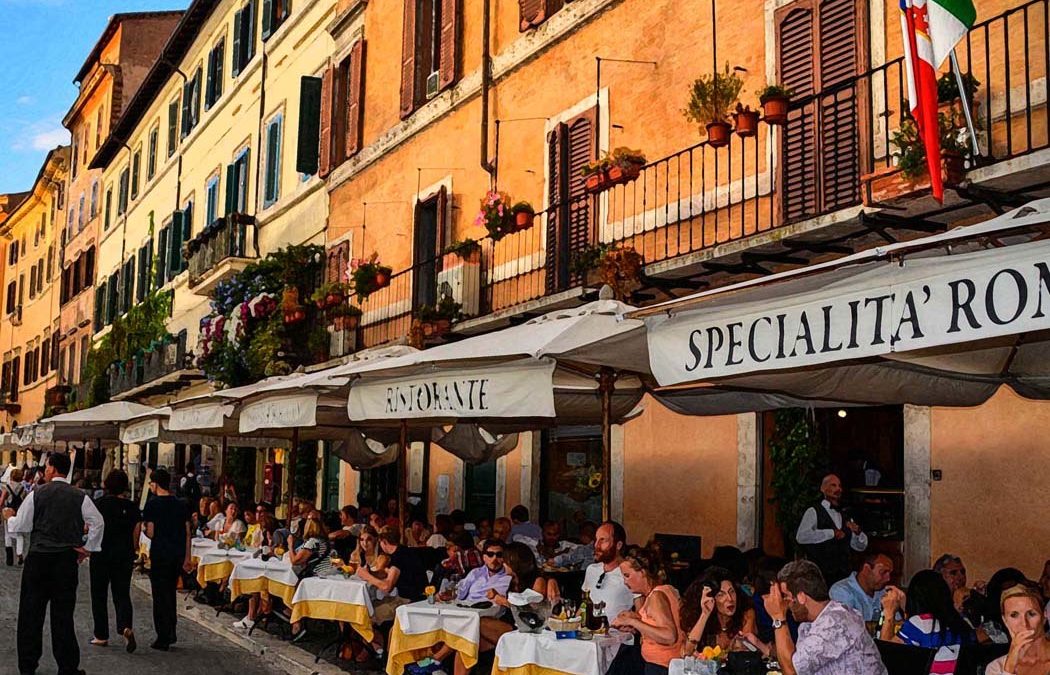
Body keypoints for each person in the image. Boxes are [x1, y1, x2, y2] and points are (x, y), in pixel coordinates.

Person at [4, 452, 104, 675]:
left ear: (51, 468)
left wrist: (9, 516)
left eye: (46, 466)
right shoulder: (79, 496)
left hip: (39, 559)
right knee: (63, 616)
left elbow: (21, 526)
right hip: (65, 561)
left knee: (31, 614)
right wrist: (88, 548)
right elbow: (97, 522)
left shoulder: (37, 494)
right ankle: (67, 666)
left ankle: (28, 664)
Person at [762, 559, 887, 675]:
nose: (786, 604)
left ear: (801, 597)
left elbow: (791, 671)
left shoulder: (835, 622)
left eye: (787, 596)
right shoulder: (810, 623)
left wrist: (778, 618)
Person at [877, 569, 974, 674]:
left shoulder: (920, 624)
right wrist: (907, 606)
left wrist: (889, 613)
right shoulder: (962, 622)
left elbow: (886, 657)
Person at [89, 469, 141, 653]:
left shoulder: (99, 504)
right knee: (122, 593)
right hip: (124, 554)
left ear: (107, 484)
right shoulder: (132, 506)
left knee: (99, 595)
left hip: (101, 553)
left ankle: (101, 635)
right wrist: (133, 549)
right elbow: (137, 530)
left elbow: (91, 526)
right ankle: (125, 627)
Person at [141, 468, 193, 651]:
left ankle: (163, 635)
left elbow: (151, 532)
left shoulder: (153, 504)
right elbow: (188, 532)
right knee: (170, 593)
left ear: (155, 484)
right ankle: (171, 630)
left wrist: (144, 529)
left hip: (160, 553)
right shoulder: (181, 504)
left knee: (160, 595)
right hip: (177, 553)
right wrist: (188, 556)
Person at [611, 549, 685, 675]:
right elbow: (658, 625)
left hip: (662, 667)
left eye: (627, 575)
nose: (625, 582)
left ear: (643, 572)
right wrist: (637, 621)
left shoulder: (656, 596)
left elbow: (669, 636)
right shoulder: (665, 589)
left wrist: (632, 621)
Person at [795, 474, 868, 584]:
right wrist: (831, 533)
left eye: (839, 486)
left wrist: (858, 533)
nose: (838, 489)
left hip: (844, 575)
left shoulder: (845, 514)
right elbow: (801, 536)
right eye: (833, 485)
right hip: (821, 575)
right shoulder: (813, 511)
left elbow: (860, 547)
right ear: (823, 489)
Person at [358, 525, 426, 632]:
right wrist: (370, 573)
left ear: (384, 542)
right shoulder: (404, 551)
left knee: (365, 614)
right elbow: (389, 576)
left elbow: (387, 587)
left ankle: (376, 646)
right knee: (369, 605)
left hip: (409, 601)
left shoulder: (398, 557)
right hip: (414, 597)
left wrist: (367, 576)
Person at [682, 566, 759, 655]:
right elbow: (686, 652)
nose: (730, 599)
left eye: (732, 592)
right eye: (721, 595)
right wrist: (705, 614)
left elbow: (745, 651)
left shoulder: (746, 614)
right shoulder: (697, 616)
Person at [985, 583, 1050, 675]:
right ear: (1005, 620)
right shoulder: (996, 668)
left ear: (1044, 616)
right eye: (1014, 615)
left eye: (1031, 614)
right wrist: (1009, 667)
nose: (1024, 623)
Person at [582, 521, 636, 621]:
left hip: (619, 634)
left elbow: (642, 612)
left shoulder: (632, 573)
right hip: (593, 632)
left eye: (603, 540)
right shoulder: (592, 570)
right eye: (596, 540)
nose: (596, 546)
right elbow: (585, 605)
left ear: (618, 545)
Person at [828, 553, 894, 622]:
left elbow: (898, 624)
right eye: (883, 572)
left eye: (890, 573)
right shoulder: (841, 591)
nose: (888, 578)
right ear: (866, 569)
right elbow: (848, 626)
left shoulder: (885, 593)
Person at [2, 467, 27, 565]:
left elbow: (2, 500)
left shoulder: (7, 487)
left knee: (7, 534)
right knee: (19, 535)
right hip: (18, 512)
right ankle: (19, 553)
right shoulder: (23, 489)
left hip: (8, 512)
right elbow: (25, 501)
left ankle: (9, 559)